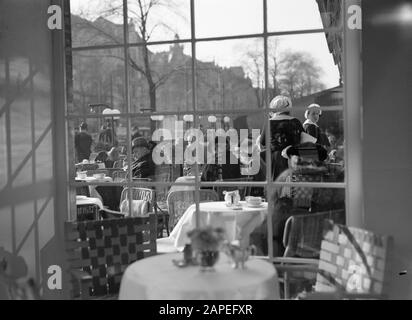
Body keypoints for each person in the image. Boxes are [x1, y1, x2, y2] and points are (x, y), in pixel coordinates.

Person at [259, 95, 304, 180]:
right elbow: (304, 139)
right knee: (292, 185)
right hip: (293, 157)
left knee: (276, 183)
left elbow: (262, 142)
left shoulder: (269, 122)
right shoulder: (295, 121)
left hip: (275, 158)